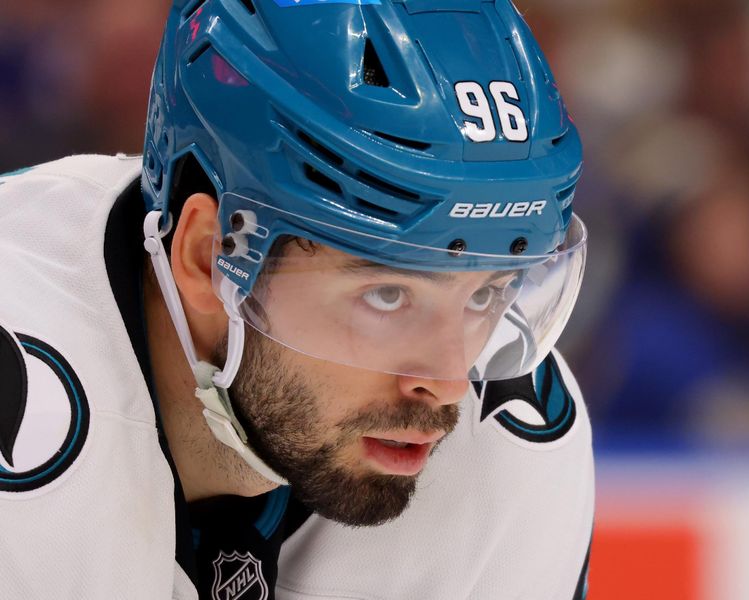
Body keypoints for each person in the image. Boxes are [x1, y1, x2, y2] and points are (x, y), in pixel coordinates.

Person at [0, 0, 594, 598]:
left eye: (486, 293)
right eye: (388, 295)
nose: (448, 382)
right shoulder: (19, 382)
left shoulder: (508, 443)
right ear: (211, 259)